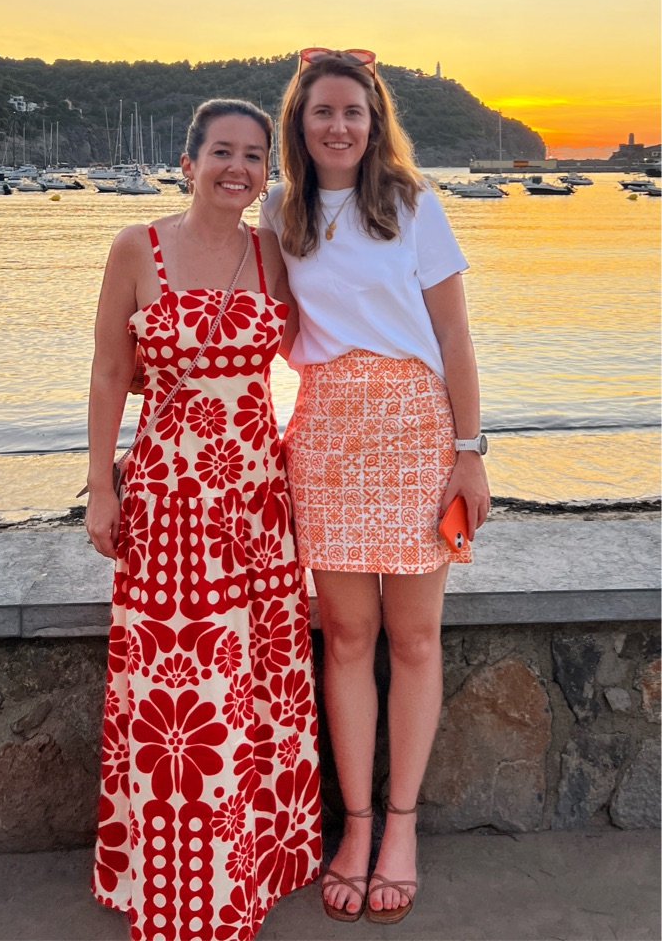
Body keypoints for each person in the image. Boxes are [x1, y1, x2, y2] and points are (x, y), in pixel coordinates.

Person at [259, 49, 490, 925]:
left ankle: (401, 827)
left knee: (415, 639)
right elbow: (263, 319)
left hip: (417, 428)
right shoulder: (280, 210)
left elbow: (455, 338)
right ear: (299, 121)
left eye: (353, 111)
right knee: (347, 636)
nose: (338, 125)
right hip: (325, 431)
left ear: (374, 120)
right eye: (322, 110)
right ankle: (353, 827)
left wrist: (468, 452)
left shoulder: (413, 202)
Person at [83, 99, 322, 940]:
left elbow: (325, 338)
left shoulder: (271, 253)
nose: (238, 168)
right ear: (188, 163)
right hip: (167, 494)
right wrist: (101, 487)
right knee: (173, 686)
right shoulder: (136, 247)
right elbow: (109, 372)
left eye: (254, 156)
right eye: (222, 151)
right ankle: (173, 876)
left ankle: (251, 864)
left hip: (256, 492)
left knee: (258, 678)